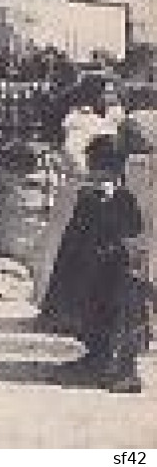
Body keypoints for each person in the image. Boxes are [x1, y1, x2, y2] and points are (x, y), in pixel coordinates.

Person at [49, 134, 147, 393]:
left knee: (118, 318)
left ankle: (120, 370)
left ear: (114, 170)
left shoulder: (123, 197)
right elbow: (76, 233)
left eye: (100, 170)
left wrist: (107, 204)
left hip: (116, 269)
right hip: (91, 267)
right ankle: (95, 358)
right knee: (90, 313)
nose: (95, 175)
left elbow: (133, 228)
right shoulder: (87, 196)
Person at [35, 74, 128, 320]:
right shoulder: (81, 121)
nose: (112, 97)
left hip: (89, 187)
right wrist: (93, 175)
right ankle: (66, 308)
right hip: (82, 189)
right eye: (108, 92)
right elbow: (73, 155)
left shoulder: (103, 119)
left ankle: (76, 307)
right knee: (74, 248)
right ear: (95, 94)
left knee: (82, 249)